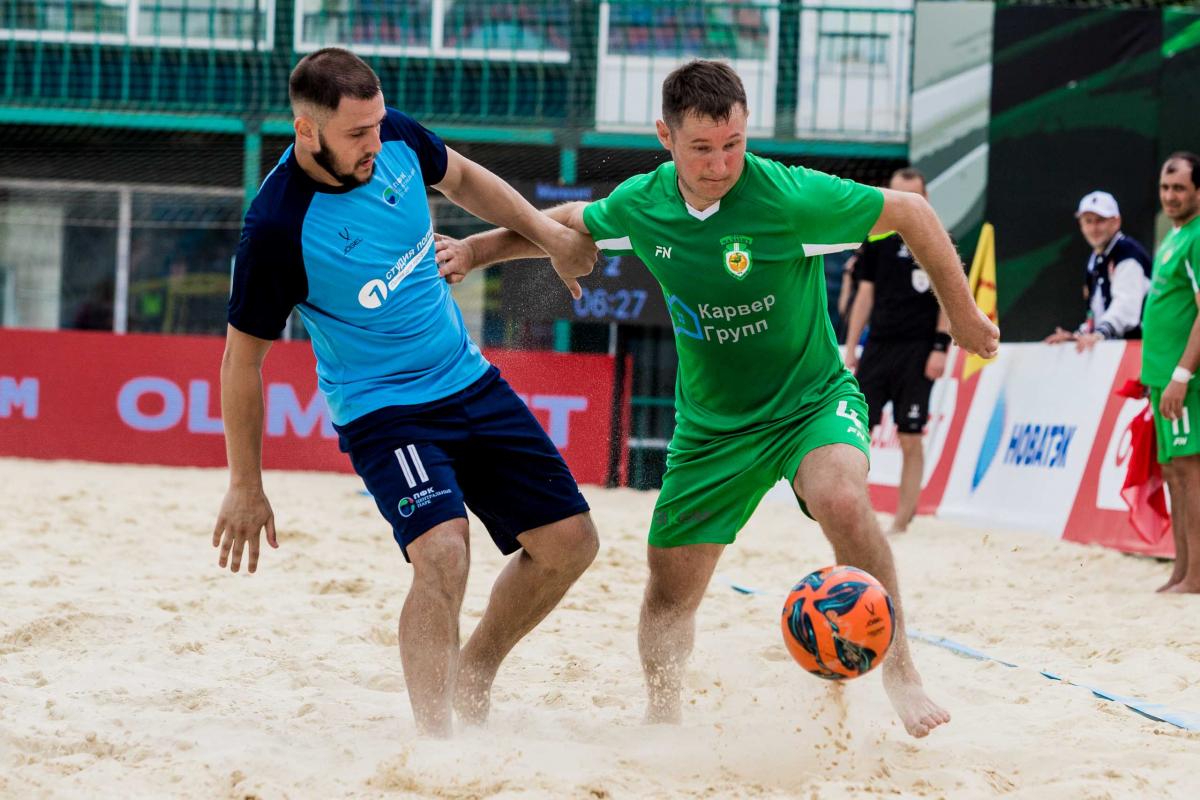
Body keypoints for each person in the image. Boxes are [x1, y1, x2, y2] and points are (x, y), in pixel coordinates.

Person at [437, 60, 998, 738]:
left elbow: (912, 212)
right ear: (665, 137)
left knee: (844, 500)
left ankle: (901, 669)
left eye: (733, 144)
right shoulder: (644, 203)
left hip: (810, 402)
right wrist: (475, 251)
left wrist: (962, 315)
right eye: (702, 147)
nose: (721, 163)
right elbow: (565, 224)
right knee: (668, 592)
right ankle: (662, 715)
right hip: (713, 430)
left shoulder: (788, 197)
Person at [211, 48, 601, 737]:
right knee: (444, 553)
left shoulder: (393, 135)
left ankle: (475, 671)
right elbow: (242, 363)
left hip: (465, 377)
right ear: (307, 130)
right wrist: (246, 484)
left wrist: (547, 236)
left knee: (572, 544)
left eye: (378, 124)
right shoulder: (277, 228)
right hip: (383, 409)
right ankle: (436, 745)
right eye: (357, 133)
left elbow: (466, 179)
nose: (375, 141)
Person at [842, 168, 953, 535]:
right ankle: (857, 513)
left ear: (925, 199)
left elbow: (948, 298)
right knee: (857, 432)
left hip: (919, 349)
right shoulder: (877, 239)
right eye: (897, 195)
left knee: (910, 436)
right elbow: (865, 295)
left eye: (912, 196)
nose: (903, 203)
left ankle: (902, 522)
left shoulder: (937, 238)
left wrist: (940, 347)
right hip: (878, 346)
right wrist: (852, 346)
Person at [1142, 152, 1200, 594]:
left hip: (1184, 379)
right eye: (1165, 187)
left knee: (1190, 471)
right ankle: (1181, 570)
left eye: (1179, 188)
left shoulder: (1197, 237)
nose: (1170, 196)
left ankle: (1196, 576)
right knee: (1174, 473)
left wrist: (1182, 373)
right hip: (1161, 376)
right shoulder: (1173, 237)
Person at [1044, 191, 1152, 352]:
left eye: (1100, 221)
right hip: (1116, 352)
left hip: (1139, 351)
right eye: (1088, 221)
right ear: (1081, 225)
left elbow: (1126, 309)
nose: (1094, 228)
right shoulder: (1095, 259)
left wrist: (1099, 334)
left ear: (1116, 222)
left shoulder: (1128, 253)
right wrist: (1076, 336)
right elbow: (1097, 311)